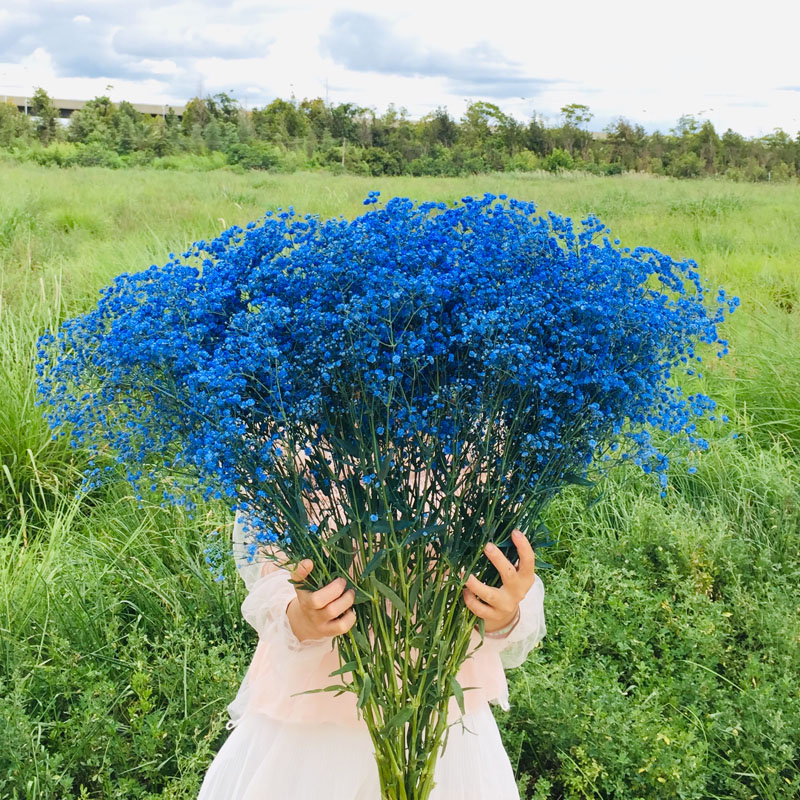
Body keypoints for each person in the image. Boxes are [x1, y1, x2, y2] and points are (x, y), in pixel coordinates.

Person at [197, 513, 546, 800]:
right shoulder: (286, 444)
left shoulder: (483, 442)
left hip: (440, 714)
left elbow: (509, 584)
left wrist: (502, 614)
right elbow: (269, 580)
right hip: (317, 725)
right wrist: (302, 618)